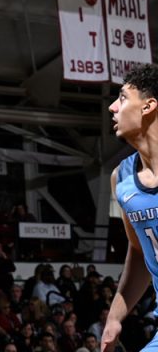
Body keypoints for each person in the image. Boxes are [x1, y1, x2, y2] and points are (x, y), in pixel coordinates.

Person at [105, 64, 158, 352]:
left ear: (149, 106)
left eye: (123, 98)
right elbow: (139, 252)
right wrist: (115, 317)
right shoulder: (122, 179)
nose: (113, 107)